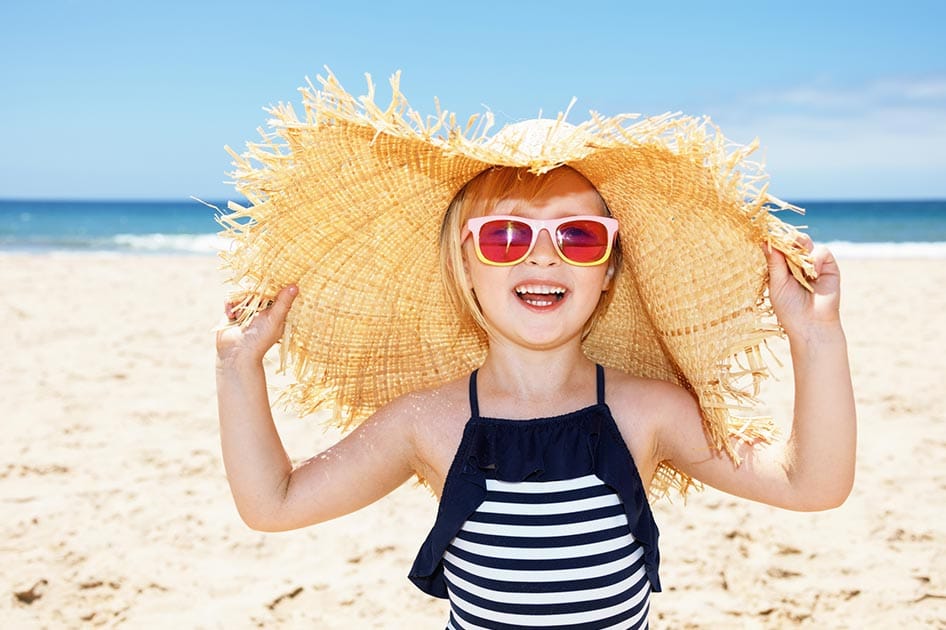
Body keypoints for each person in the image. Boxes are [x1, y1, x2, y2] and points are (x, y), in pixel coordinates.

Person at [215, 72, 856, 629]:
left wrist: (815, 335)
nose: (541, 252)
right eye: (504, 235)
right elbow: (273, 503)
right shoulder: (426, 422)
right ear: (464, 265)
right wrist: (238, 367)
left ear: (608, 270)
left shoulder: (647, 412)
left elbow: (813, 485)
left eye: (577, 235)